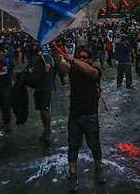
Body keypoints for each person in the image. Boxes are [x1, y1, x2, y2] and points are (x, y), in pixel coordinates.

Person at [54, 48, 106, 192]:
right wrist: (53, 48)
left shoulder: (95, 70)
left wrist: (73, 59)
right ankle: (72, 174)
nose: (82, 59)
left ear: (90, 59)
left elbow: (89, 72)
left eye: (85, 57)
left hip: (90, 115)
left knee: (94, 145)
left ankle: (99, 167)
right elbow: (61, 65)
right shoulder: (74, 70)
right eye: (80, 57)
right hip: (75, 116)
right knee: (73, 146)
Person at [30, 44, 55, 149]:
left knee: (45, 109)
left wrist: (43, 59)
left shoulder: (47, 57)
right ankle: (45, 129)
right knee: (41, 109)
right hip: (38, 87)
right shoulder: (34, 58)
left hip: (46, 87)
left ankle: (48, 130)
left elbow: (48, 68)